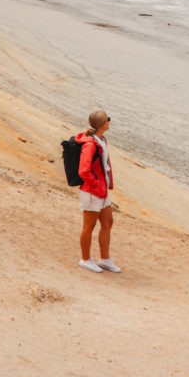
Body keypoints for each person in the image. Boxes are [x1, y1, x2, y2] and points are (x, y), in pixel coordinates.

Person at [76, 110, 121, 273]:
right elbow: (83, 171)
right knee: (89, 226)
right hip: (92, 191)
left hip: (102, 191)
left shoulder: (102, 139)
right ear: (102, 124)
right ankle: (85, 259)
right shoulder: (90, 144)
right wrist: (97, 185)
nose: (109, 121)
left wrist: (105, 186)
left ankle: (104, 259)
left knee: (108, 222)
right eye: (107, 119)